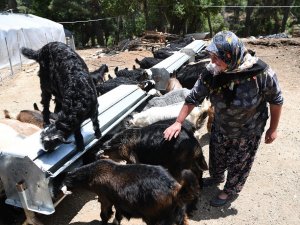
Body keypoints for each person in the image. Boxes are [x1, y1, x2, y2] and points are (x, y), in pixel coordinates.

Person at [163, 30, 283, 207]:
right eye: (211, 56)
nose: (212, 62)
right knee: (217, 156)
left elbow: (276, 100)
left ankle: (229, 190)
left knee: (239, 162)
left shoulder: (261, 73)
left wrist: (273, 129)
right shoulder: (212, 73)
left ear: (231, 55)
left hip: (248, 131)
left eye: (217, 58)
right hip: (221, 126)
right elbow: (193, 98)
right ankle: (217, 177)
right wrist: (178, 122)